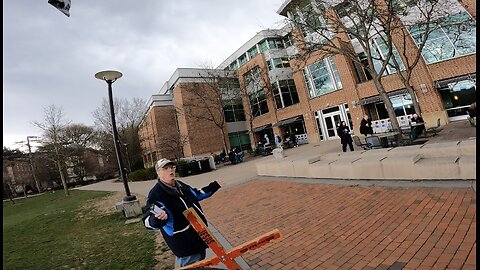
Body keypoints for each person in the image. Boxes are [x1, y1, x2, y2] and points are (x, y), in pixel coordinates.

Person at [143, 158, 225, 267]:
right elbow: (147, 222)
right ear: (158, 172)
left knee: (201, 262)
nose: (170, 170)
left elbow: (196, 194)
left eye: (172, 167)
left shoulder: (180, 185)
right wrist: (156, 219)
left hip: (199, 236)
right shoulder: (156, 194)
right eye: (165, 168)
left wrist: (214, 186)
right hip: (184, 244)